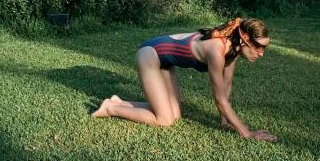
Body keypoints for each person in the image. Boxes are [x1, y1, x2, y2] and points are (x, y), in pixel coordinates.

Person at [91, 17, 277, 142]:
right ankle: (110, 108)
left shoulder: (233, 52)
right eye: (258, 47)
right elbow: (220, 99)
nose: (261, 53)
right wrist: (246, 133)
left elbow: (226, 86)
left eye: (264, 48)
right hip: (150, 54)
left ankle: (119, 102)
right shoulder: (216, 50)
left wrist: (224, 121)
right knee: (165, 120)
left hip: (166, 62)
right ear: (244, 39)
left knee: (175, 115)